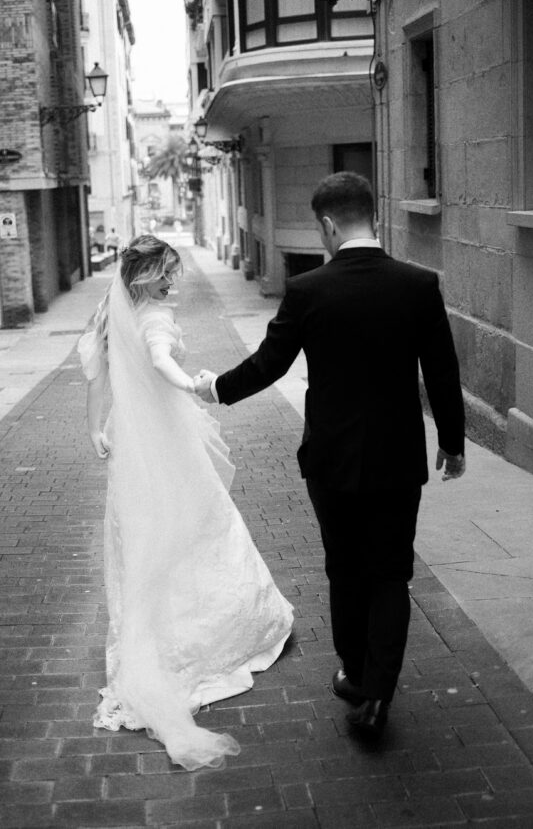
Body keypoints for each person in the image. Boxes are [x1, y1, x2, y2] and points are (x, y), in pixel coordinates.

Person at [194, 172, 465, 740]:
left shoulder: (309, 290)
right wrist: (453, 443)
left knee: (345, 568)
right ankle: (377, 696)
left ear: (326, 225)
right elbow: (441, 371)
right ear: (374, 214)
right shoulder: (417, 285)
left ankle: (356, 672)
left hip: (332, 460)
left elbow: (268, 364)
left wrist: (214, 388)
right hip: (396, 459)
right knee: (391, 574)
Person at [77, 234, 293, 770]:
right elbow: (159, 363)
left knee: (147, 528)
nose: (176, 281)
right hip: (166, 437)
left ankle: (152, 621)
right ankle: (204, 635)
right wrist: (198, 385)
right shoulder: (150, 318)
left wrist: (94, 429)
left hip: (132, 437)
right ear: (148, 275)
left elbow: (97, 374)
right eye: (169, 273)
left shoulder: (112, 310)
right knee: (198, 522)